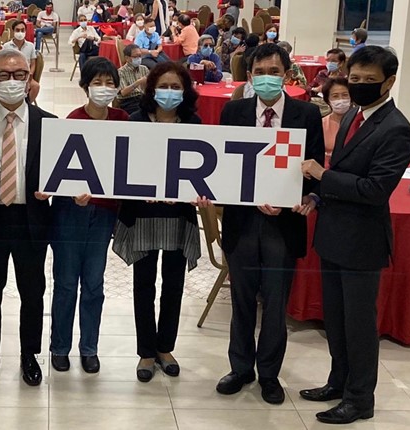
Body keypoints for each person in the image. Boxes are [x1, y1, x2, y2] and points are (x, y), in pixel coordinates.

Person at [299, 46, 410, 425]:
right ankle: (339, 381)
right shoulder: (353, 117)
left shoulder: (395, 128)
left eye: (369, 81)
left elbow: (374, 190)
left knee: (360, 326)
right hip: (333, 234)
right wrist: (318, 193)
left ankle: (361, 398)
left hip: (363, 242)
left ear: (389, 81)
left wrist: (321, 176)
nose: (360, 86)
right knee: (336, 319)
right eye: (355, 79)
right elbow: (345, 169)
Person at [214, 43, 324, 405]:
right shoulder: (234, 111)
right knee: (242, 300)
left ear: (287, 75)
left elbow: (313, 172)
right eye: (259, 72)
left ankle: (270, 374)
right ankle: (240, 367)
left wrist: (304, 198)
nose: (266, 79)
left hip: (284, 225)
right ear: (249, 76)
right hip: (243, 221)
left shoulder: (307, 115)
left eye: (273, 72)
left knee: (275, 304)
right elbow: (223, 167)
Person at [112, 61, 201, 383]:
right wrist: (138, 190)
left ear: (185, 91)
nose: (169, 92)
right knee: (143, 285)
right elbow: (121, 169)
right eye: (163, 86)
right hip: (143, 215)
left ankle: (166, 348)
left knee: (174, 285)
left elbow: (204, 170)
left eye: (176, 87)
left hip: (179, 216)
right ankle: (146, 352)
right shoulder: (135, 121)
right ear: (151, 90)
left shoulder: (194, 123)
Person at [0, 48, 55, 389]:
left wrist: (56, 189)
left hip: (31, 220)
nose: (12, 81)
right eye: (3, 75)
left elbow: (62, 174)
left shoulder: (49, 124)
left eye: (19, 74)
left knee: (32, 292)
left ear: (29, 77)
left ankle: (29, 354)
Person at [49, 57, 128, 374]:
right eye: (98, 82)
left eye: (110, 82)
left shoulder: (124, 120)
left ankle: (89, 347)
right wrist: (69, 191)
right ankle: (59, 346)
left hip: (104, 213)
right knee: (66, 282)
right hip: (71, 212)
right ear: (85, 87)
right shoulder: (72, 120)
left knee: (94, 283)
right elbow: (59, 171)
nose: (104, 88)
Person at [2, 20, 41, 103]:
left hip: (26, 75)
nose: (20, 32)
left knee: (36, 86)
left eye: (22, 30)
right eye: (17, 30)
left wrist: (29, 75)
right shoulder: (6, 46)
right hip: (11, 75)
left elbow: (33, 63)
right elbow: (3, 64)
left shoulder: (30, 46)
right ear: (13, 31)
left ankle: (27, 105)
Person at [320, 77, 350, 167]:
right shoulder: (321, 124)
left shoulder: (361, 122)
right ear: (328, 100)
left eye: (345, 95)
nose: (340, 100)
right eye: (335, 96)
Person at [117, 43, 149, 114]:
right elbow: (123, 92)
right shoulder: (121, 72)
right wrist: (138, 83)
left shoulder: (144, 68)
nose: (138, 59)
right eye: (135, 57)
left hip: (143, 98)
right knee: (142, 112)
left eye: (140, 56)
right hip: (129, 101)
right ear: (127, 58)